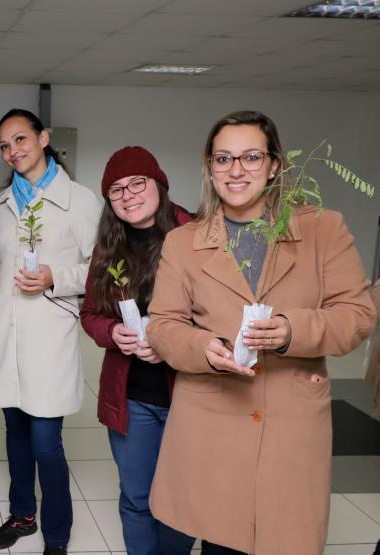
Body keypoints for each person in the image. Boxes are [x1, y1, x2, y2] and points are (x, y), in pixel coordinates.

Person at [146, 110, 376, 554]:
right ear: (209, 168)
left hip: (289, 422)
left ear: (274, 165)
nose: (236, 170)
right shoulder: (184, 242)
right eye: (223, 159)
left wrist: (293, 330)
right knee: (218, 538)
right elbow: (163, 325)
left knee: (279, 535)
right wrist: (203, 347)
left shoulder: (322, 229)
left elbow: (357, 314)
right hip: (210, 418)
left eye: (251, 157)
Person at [0, 108, 101, 555]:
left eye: (21, 140)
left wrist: (56, 276)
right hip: (5, 336)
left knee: (47, 443)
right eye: (4, 146)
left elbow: (100, 271)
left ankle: (58, 533)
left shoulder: (81, 201)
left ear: (44, 138)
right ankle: (22, 514)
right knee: (15, 432)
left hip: (49, 338)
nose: (12, 152)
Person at [80, 146, 196, 555]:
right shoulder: (110, 245)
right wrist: (113, 333)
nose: (127, 195)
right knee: (136, 499)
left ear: (159, 184)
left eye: (136, 183)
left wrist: (173, 345)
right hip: (132, 399)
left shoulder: (196, 236)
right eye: (115, 190)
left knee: (181, 502)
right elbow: (91, 313)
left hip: (189, 397)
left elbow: (219, 317)